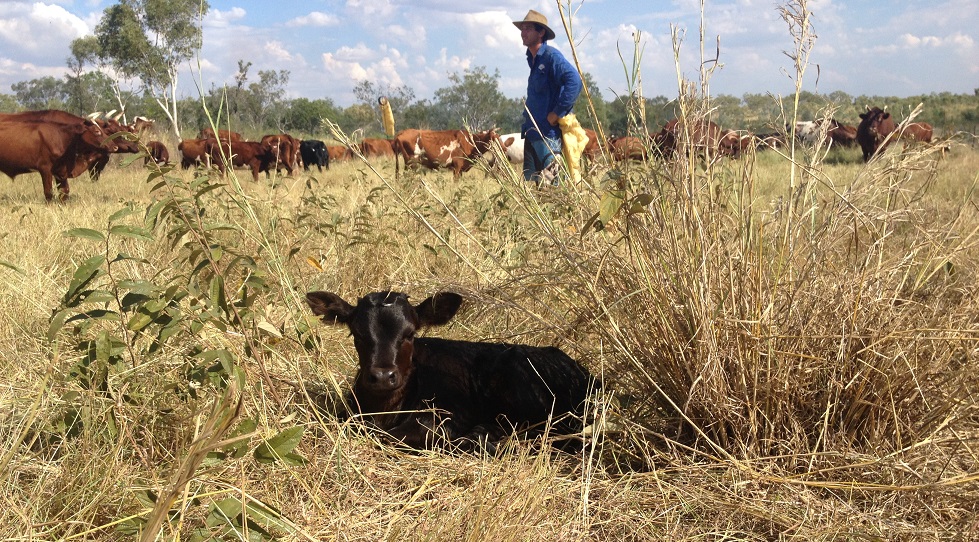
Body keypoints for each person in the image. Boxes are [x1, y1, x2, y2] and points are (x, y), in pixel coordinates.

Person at [513, 9, 582, 186]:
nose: (523, 33)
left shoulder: (551, 56)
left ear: (541, 32)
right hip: (533, 132)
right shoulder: (533, 58)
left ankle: (561, 214)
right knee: (538, 186)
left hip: (548, 135)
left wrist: (557, 113)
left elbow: (574, 80)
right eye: (522, 29)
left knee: (553, 185)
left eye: (528, 28)